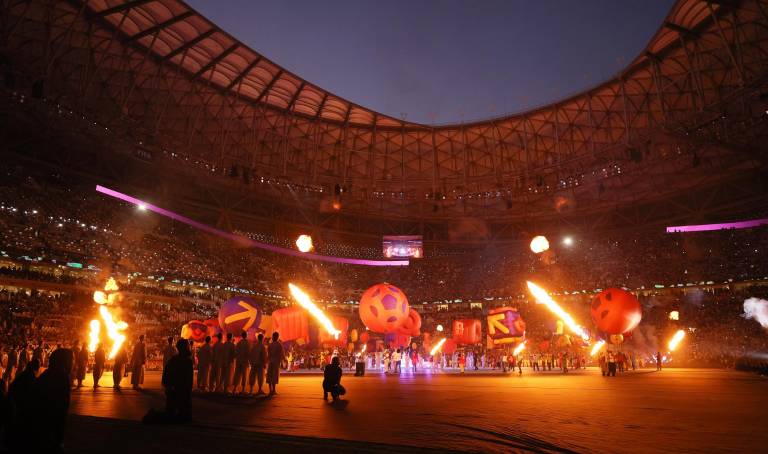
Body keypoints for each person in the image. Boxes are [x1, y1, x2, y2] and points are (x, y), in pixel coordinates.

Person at [32, 348, 73, 452]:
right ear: (64, 362)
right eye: (72, 360)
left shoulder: (48, 375)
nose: (73, 364)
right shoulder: (60, 377)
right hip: (48, 426)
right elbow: (59, 408)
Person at [6, 358, 40, 450]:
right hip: (19, 407)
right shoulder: (30, 377)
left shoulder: (25, 375)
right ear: (35, 368)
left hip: (16, 404)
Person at [162, 339, 193, 422]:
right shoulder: (187, 362)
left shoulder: (173, 360)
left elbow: (165, 379)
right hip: (181, 393)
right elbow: (189, 383)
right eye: (188, 346)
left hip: (174, 392)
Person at [266, 332, 284, 396]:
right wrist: (282, 361)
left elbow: (268, 354)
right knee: (274, 375)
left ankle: (270, 390)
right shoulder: (279, 345)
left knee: (269, 375)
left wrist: (267, 361)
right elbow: (281, 354)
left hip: (270, 361)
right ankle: (273, 390)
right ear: (278, 337)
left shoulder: (270, 345)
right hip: (276, 362)